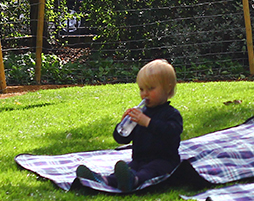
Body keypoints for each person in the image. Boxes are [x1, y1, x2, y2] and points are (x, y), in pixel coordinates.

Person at [77, 59, 183, 192]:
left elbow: (172, 132)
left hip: (164, 160)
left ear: (167, 89)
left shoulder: (171, 114)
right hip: (139, 159)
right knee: (129, 168)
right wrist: (123, 125)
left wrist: (147, 123)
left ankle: (134, 181)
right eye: (142, 89)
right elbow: (122, 139)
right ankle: (105, 180)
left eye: (151, 88)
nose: (145, 94)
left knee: (149, 171)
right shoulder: (141, 114)